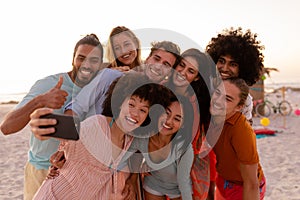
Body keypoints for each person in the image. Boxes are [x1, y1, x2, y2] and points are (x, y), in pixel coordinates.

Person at [29, 73, 172, 199]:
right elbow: (66, 133)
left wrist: (132, 180)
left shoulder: (130, 141)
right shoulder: (96, 125)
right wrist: (40, 124)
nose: (135, 113)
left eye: (143, 110)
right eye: (131, 104)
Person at [0, 34, 104, 200]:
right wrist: (40, 101)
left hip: (79, 177)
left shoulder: (100, 89)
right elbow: (7, 127)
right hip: (42, 172)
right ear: (73, 59)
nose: (86, 64)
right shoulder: (48, 84)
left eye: (93, 60)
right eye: (81, 58)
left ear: (100, 64)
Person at [205, 27, 265, 199]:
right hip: (222, 176)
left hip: (241, 181)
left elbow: (242, 142)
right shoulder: (207, 85)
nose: (225, 68)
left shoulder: (243, 103)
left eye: (233, 64)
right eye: (221, 61)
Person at [64, 40, 181, 120]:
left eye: (166, 65)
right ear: (147, 59)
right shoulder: (111, 76)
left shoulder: (158, 101)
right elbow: (76, 108)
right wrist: (66, 144)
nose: (158, 66)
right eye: (156, 59)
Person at [123, 94, 194, 200]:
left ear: (183, 125)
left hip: (177, 189)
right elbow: (122, 158)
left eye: (177, 119)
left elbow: (184, 183)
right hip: (154, 184)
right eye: (167, 113)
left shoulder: (184, 148)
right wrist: (131, 179)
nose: (168, 121)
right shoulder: (143, 137)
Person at [165, 48, 214, 199]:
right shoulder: (160, 87)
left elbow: (188, 142)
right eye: (181, 65)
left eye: (190, 70)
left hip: (181, 164)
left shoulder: (195, 104)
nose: (182, 72)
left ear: (197, 78)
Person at [209, 78, 266, 200]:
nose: (217, 101)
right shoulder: (212, 117)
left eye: (227, 99)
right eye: (217, 93)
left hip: (242, 186)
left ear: (238, 107)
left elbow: (251, 183)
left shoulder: (241, 130)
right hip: (224, 179)